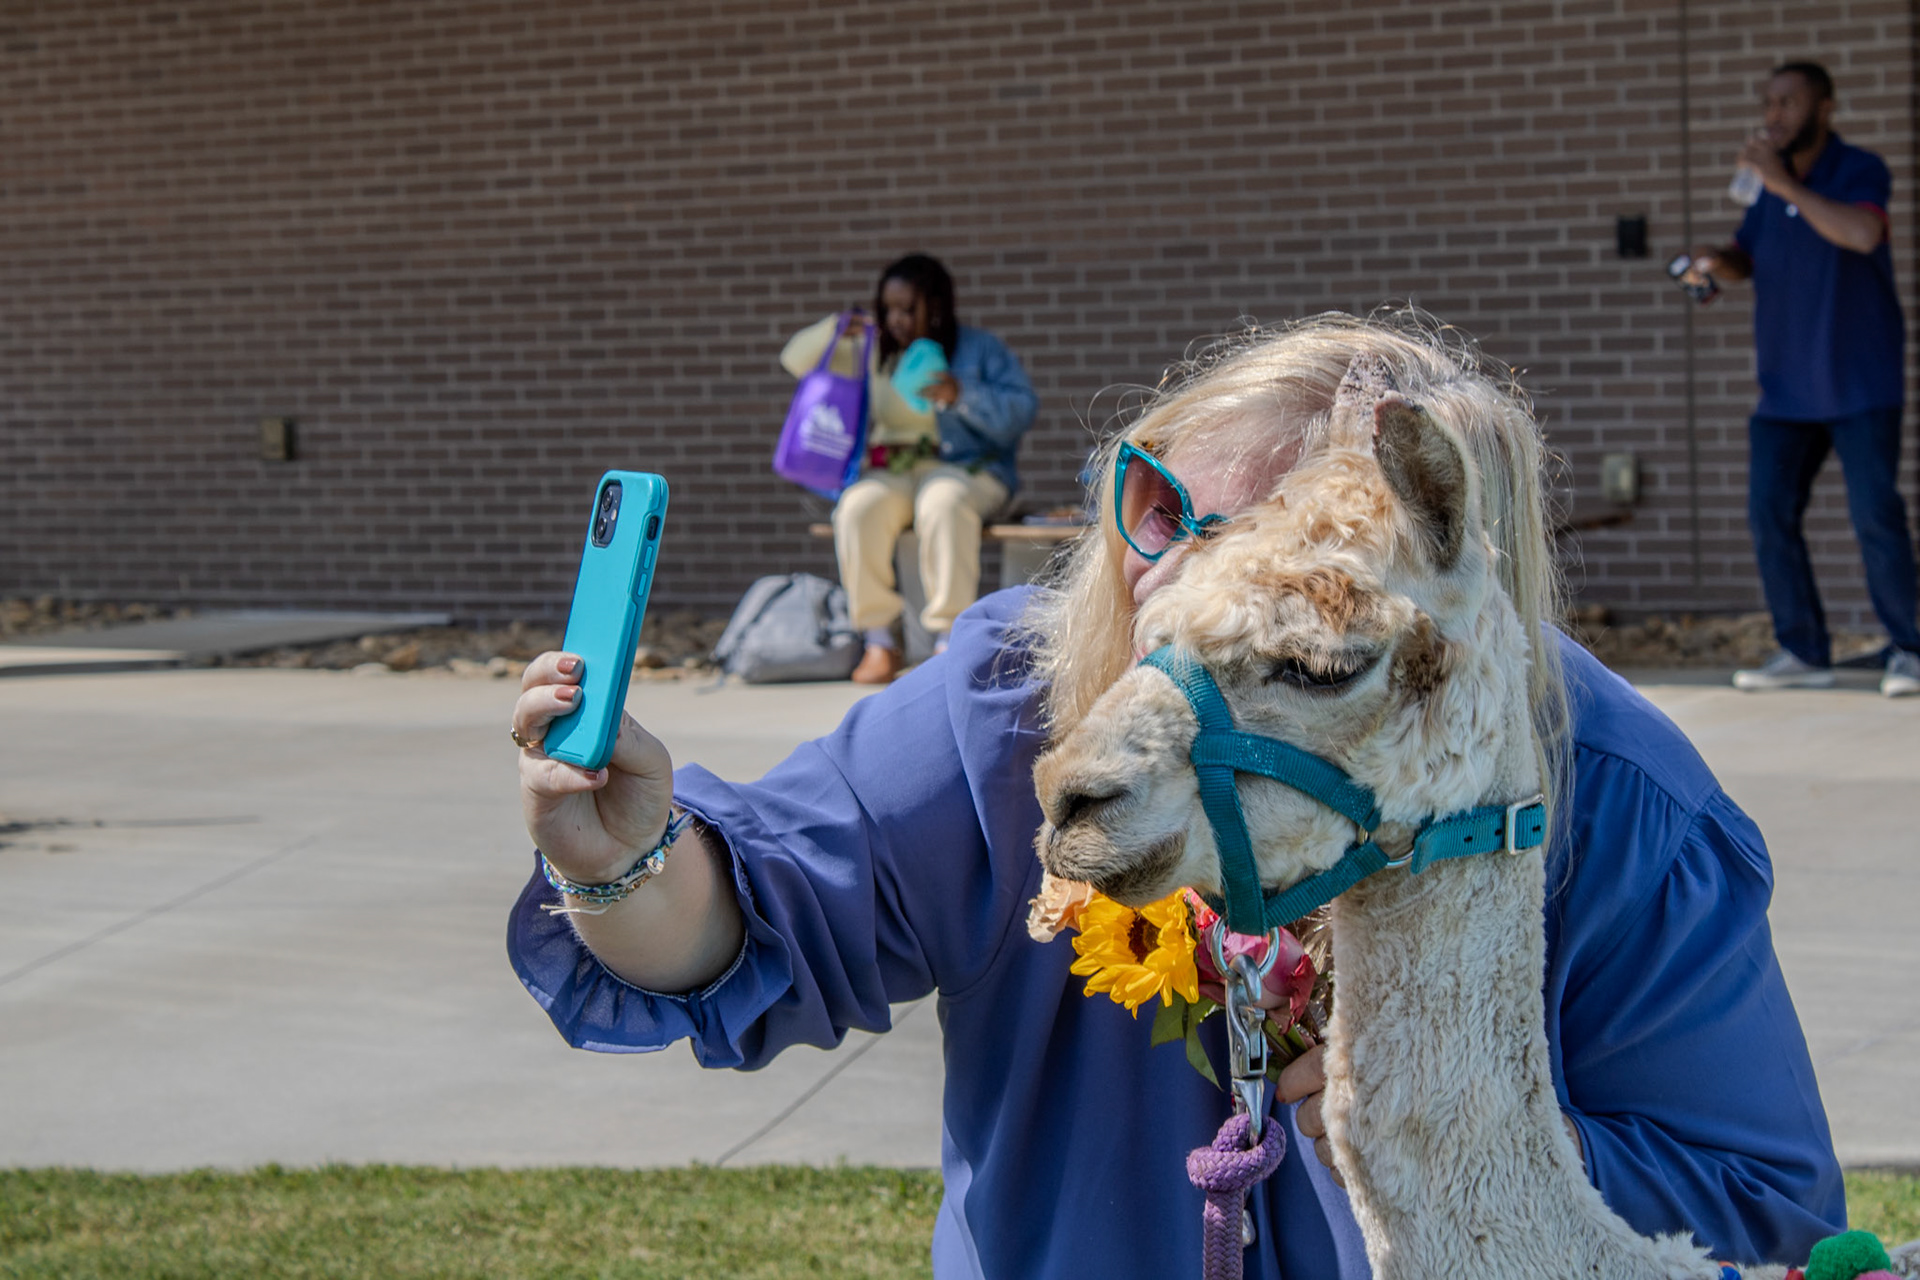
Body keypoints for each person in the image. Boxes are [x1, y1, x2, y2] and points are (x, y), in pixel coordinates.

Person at [509, 314, 1844, 1278]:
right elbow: (766, 912)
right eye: (1156, 505)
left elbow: (1762, 1211)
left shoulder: (1616, 792)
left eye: (1265, 566)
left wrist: (1450, 1128)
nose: (1170, 578)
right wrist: (618, 860)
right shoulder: (1024, 700)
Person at [1685, 61, 1920, 698]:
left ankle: (1911, 649)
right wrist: (1716, 261)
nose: (1775, 115)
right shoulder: (1769, 187)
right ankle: (1803, 650)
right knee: (1769, 513)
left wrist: (1780, 181)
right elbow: (1749, 255)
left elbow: (1862, 233)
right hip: (1786, 389)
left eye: (1789, 102)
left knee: (1875, 516)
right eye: (1769, 103)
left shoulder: (1859, 169)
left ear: (1825, 108)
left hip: (1860, 381)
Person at [780, 254, 1039, 684]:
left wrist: (962, 395)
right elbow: (794, 359)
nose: (895, 320)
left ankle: (947, 639)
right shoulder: (874, 350)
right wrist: (835, 329)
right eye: (888, 309)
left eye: (906, 308)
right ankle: (879, 639)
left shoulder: (977, 348)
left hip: (965, 467)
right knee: (858, 507)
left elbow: (1022, 410)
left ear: (935, 306)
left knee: (942, 502)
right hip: (893, 471)